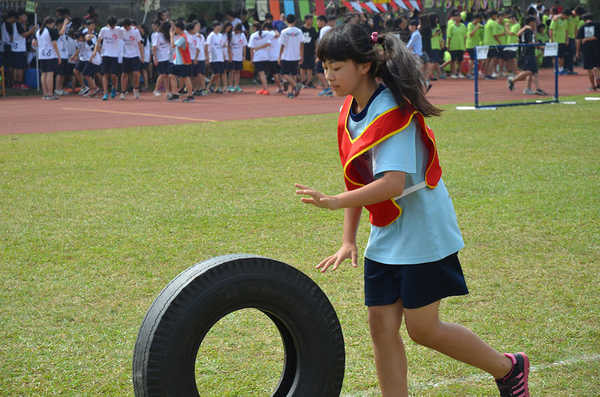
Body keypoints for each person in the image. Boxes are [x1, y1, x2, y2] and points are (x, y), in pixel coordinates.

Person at [295, 23, 530, 397]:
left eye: (337, 66)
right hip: (388, 230)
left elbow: (392, 184)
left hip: (421, 227)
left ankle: (509, 367)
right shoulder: (350, 109)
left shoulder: (391, 112)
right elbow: (357, 178)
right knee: (380, 327)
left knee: (424, 330)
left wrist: (334, 202)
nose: (328, 75)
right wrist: (347, 239)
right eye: (324, 66)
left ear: (364, 66)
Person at [507, 16, 548, 96]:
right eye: (534, 22)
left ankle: (532, 88)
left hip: (529, 53)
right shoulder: (528, 30)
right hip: (528, 53)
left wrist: (539, 46)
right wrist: (538, 45)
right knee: (530, 71)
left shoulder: (528, 30)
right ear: (531, 22)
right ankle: (513, 80)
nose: (536, 24)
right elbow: (529, 42)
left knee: (534, 72)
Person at [93, 15, 123, 100]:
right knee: (105, 74)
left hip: (115, 55)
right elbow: (99, 40)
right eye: (110, 25)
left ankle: (114, 87)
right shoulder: (104, 30)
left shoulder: (118, 30)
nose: (112, 27)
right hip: (105, 54)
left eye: (113, 25)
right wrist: (96, 50)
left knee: (113, 75)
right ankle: (105, 93)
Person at [33, 16, 60, 99]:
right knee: (50, 74)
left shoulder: (38, 31)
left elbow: (34, 43)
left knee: (44, 74)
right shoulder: (51, 31)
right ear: (52, 23)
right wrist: (59, 56)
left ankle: (45, 93)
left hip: (42, 55)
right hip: (50, 54)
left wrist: (41, 46)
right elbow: (54, 44)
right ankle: (50, 93)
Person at [167, 21, 194, 102]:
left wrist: (171, 36)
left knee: (185, 77)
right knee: (172, 75)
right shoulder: (180, 36)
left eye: (175, 28)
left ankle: (190, 95)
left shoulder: (183, 37)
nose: (174, 30)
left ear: (178, 28)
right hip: (177, 61)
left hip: (183, 61)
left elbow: (172, 45)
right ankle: (175, 94)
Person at [279, 14, 304, 98]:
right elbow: (302, 44)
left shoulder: (284, 32)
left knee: (283, 73)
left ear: (286, 21)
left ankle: (295, 85)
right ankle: (290, 92)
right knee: (294, 74)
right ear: (295, 21)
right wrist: (302, 55)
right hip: (296, 55)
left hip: (287, 56)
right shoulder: (299, 31)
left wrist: (279, 57)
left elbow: (282, 45)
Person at [119, 18, 144, 99]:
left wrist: (142, 56)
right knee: (125, 73)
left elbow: (140, 44)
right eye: (124, 27)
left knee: (136, 73)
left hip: (135, 55)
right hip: (125, 55)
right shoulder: (121, 30)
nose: (125, 28)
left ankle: (136, 88)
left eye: (127, 27)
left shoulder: (135, 31)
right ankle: (123, 91)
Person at [12, 11, 37, 90]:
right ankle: (20, 83)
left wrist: (25, 24)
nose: (26, 18)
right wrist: (32, 29)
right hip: (19, 48)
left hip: (15, 48)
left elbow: (24, 31)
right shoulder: (18, 24)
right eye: (24, 16)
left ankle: (16, 83)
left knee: (16, 67)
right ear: (20, 16)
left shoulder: (17, 24)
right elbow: (24, 35)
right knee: (20, 67)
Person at [248, 21, 275, 95]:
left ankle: (266, 89)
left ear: (254, 28)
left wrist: (252, 59)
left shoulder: (253, 36)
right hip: (265, 56)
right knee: (262, 73)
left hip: (257, 57)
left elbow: (251, 48)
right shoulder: (266, 33)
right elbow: (275, 35)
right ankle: (263, 88)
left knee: (261, 73)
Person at [576, 13, 600, 91]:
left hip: (586, 49)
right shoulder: (598, 25)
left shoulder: (582, 27)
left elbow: (579, 40)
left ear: (583, 20)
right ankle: (597, 77)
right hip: (597, 48)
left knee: (589, 68)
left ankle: (593, 86)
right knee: (598, 65)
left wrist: (577, 52)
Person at [152, 21, 172, 97]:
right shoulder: (157, 35)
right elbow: (154, 47)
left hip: (166, 57)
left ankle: (167, 91)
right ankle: (156, 90)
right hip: (159, 58)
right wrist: (155, 59)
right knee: (162, 74)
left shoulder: (166, 35)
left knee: (167, 75)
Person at [315, 15, 333, 96]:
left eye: (318, 21)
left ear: (322, 21)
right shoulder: (330, 28)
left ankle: (326, 88)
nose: (317, 23)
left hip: (324, 53)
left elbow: (322, 43)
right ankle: (327, 87)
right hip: (330, 52)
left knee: (318, 70)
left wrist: (319, 55)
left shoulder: (323, 29)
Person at [446, 10, 467, 78]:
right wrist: (448, 46)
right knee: (453, 60)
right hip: (453, 46)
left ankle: (460, 72)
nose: (458, 18)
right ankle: (453, 73)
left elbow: (465, 36)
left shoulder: (463, 26)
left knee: (460, 60)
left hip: (461, 46)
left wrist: (465, 45)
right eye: (457, 16)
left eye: (459, 16)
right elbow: (449, 37)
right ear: (454, 17)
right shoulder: (451, 26)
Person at [206, 21, 225, 94]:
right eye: (217, 26)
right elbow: (207, 45)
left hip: (220, 56)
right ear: (213, 27)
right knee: (216, 72)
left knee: (220, 73)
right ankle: (209, 85)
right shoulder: (211, 35)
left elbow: (221, 45)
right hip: (214, 57)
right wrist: (207, 55)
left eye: (219, 26)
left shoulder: (220, 35)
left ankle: (217, 87)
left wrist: (223, 55)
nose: (219, 28)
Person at [300, 14, 318, 88]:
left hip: (311, 50)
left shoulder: (313, 29)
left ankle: (309, 81)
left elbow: (315, 40)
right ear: (306, 20)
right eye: (310, 19)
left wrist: (317, 48)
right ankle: (303, 80)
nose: (311, 21)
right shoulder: (301, 29)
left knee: (311, 66)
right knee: (303, 66)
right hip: (303, 50)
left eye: (312, 19)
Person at [228, 23, 247, 92]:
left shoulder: (242, 35)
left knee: (238, 71)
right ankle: (230, 85)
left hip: (239, 56)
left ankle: (236, 85)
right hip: (233, 56)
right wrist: (230, 55)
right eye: (236, 30)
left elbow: (244, 46)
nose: (237, 32)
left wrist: (244, 56)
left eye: (239, 30)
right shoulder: (231, 35)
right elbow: (229, 46)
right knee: (232, 71)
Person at [549, 9, 569, 75]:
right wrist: (551, 40)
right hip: (555, 41)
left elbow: (566, 31)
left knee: (562, 56)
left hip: (562, 41)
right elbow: (551, 29)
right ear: (564, 14)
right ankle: (555, 70)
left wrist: (567, 40)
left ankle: (561, 69)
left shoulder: (565, 21)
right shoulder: (556, 19)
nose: (568, 18)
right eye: (567, 16)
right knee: (555, 56)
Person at [466, 13, 483, 78]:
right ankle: (469, 73)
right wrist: (476, 28)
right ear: (475, 19)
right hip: (470, 45)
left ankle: (473, 71)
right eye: (478, 19)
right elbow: (470, 34)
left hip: (477, 45)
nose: (479, 21)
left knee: (477, 59)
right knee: (472, 59)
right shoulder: (470, 24)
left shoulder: (479, 25)